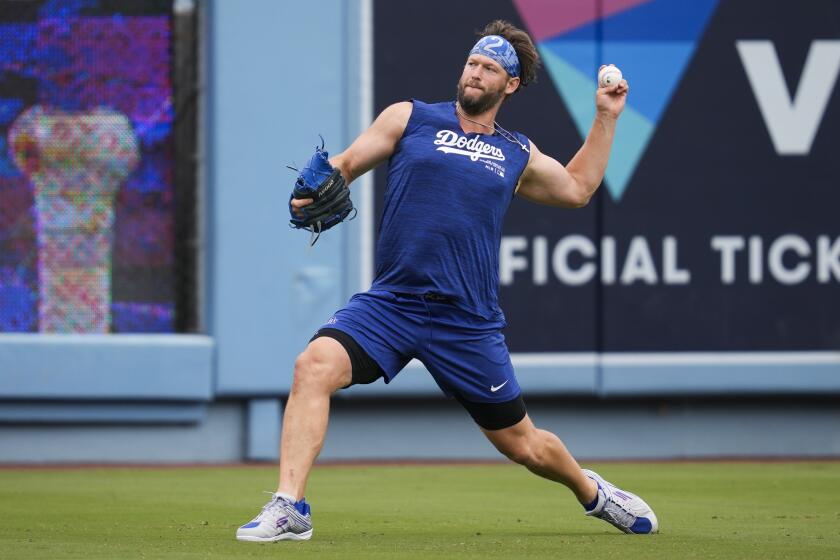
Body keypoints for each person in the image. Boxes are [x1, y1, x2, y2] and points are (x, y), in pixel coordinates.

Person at [236, 20, 657, 542]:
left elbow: (577, 188)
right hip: (392, 305)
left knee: (524, 446)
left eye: (490, 69)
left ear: (511, 85)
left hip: (466, 321)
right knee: (313, 365)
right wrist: (323, 181)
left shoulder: (515, 151)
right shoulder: (411, 118)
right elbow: (346, 161)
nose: (476, 73)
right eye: (473, 63)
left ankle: (593, 493)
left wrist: (606, 117)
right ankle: (289, 505)